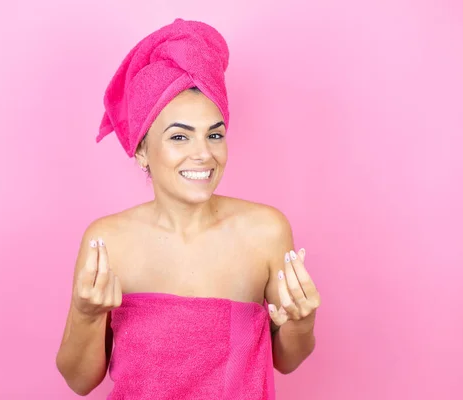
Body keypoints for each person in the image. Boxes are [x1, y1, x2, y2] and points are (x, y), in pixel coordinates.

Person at [56, 18, 320, 399]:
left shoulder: (266, 231)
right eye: (179, 136)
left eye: (215, 134)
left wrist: (302, 322)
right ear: (142, 150)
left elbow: (287, 359)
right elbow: (79, 381)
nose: (203, 153)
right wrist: (87, 314)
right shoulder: (107, 241)